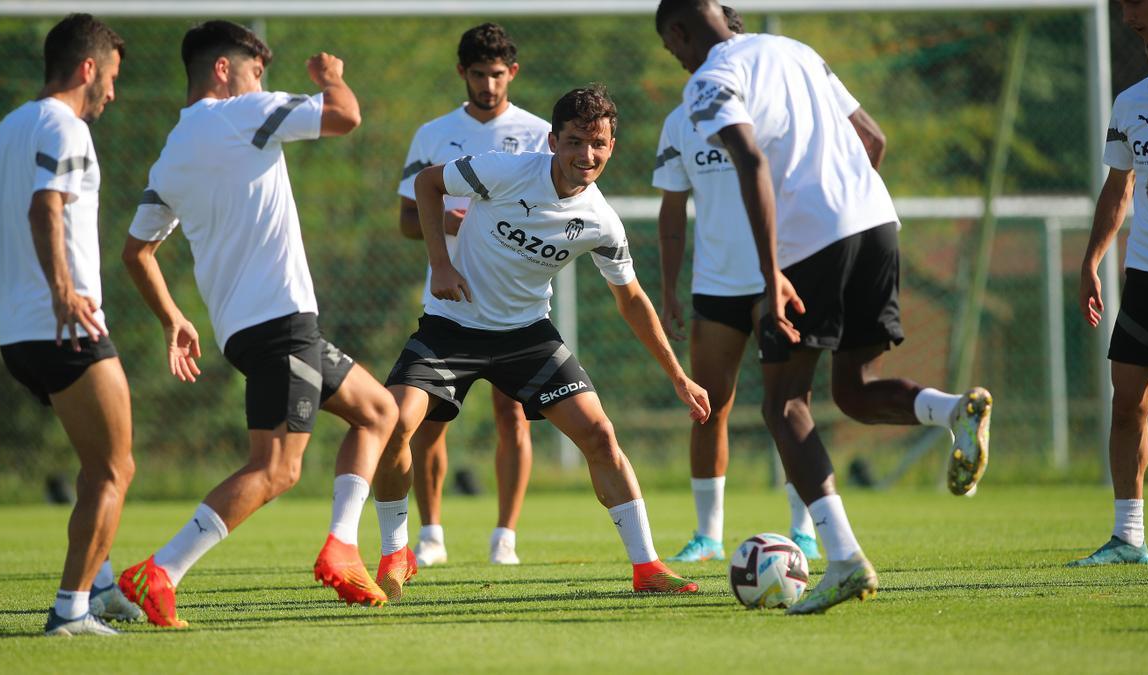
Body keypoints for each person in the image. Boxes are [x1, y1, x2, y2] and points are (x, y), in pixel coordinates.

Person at [655, 0, 992, 614]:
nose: (676, 59)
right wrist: (848, 203)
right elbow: (874, 137)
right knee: (854, 391)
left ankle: (844, 561)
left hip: (811, 242)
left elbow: (751, 160)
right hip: (876, 221)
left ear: (679, 31)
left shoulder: (710, 80)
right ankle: (953, 412)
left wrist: (772, 271)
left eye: (671, 48)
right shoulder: (796, 51)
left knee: (784, 403)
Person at [361, 84, 711, 601]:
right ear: (552, 140)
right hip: (451, 327)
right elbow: (429, 185)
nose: (585, 155)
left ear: (612, 146)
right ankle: (395, 554)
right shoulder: (505, 170)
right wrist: (441, 262)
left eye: (597, 144)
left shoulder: (601, 221)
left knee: (600, 436)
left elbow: (632, 299)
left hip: (527, 337)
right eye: (573, 142)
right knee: (395, 424)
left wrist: (678, 375)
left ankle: (648, 568)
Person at [118, 20, 398, 627]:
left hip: (254, 330)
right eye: (256, 69)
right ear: (225, 69)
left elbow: (135, 251)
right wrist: (331, 79)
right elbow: (345, 116)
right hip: (280, 323)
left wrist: (173, 318)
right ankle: (159, 571)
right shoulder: (245, 113)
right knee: (276, 468)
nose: (261, 81)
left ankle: (343, 547)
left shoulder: (170, 155)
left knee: (379, 411)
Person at [0, 13, 142, 636]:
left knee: (96, 468)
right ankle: (71, 612)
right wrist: (62, 290)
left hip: (18, 335)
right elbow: (45, 206)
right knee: (116, 470)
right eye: (111, 76)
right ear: (88, 68)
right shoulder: (65, 127)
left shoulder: (2, 131)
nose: (114, 93)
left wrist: (35, 283)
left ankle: (105, 584)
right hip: (66, 327)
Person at [653, 5, 820, 563]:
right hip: (715, 285)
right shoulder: (681, 118)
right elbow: (672, 212)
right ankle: (707, 535)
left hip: (780, 278)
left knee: (791, 404)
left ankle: (806, 528)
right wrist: (670, 287)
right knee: (708, 405)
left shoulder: (768, 103)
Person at [397, 22, 551, 567]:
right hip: (451, 302)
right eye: (480, 74)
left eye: (498, 74)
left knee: (512, 418)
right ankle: (432, 534)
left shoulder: (540, 134)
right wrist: (450, 218)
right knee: (431, 420)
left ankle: (504, 538)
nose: (489, 84)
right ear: (463, 73)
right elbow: (408, 219)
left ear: (513, 73)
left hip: (513, 301)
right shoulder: (433, 134)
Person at [1072, 0, 1148, 567]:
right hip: (1144, 277)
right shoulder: (1132, 102)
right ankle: (1129, 538)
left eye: (1137, 4)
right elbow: (1118, 187)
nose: (1128, 16)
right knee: (1129, 404)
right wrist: (1092, 261)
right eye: (1123, 6)